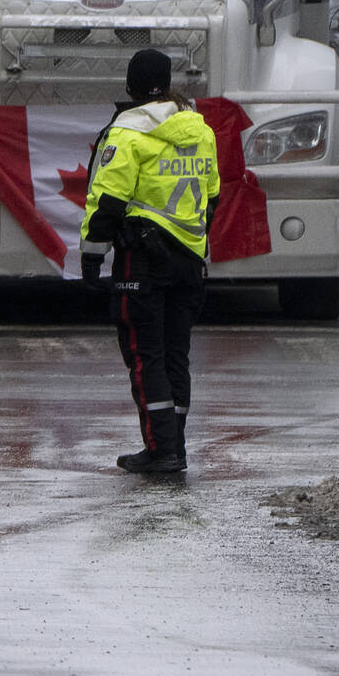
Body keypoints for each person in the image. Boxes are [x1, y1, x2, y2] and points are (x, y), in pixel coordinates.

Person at [79, 49, 219, 475]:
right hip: (189, 259)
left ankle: (162, 449)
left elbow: (107, 202)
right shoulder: (199, 129)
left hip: (142, 260)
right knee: (176, 355)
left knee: (145, 355)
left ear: (130, 87)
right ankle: (173, 442)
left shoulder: (126, 133)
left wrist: (91, 258)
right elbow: (212, 196)